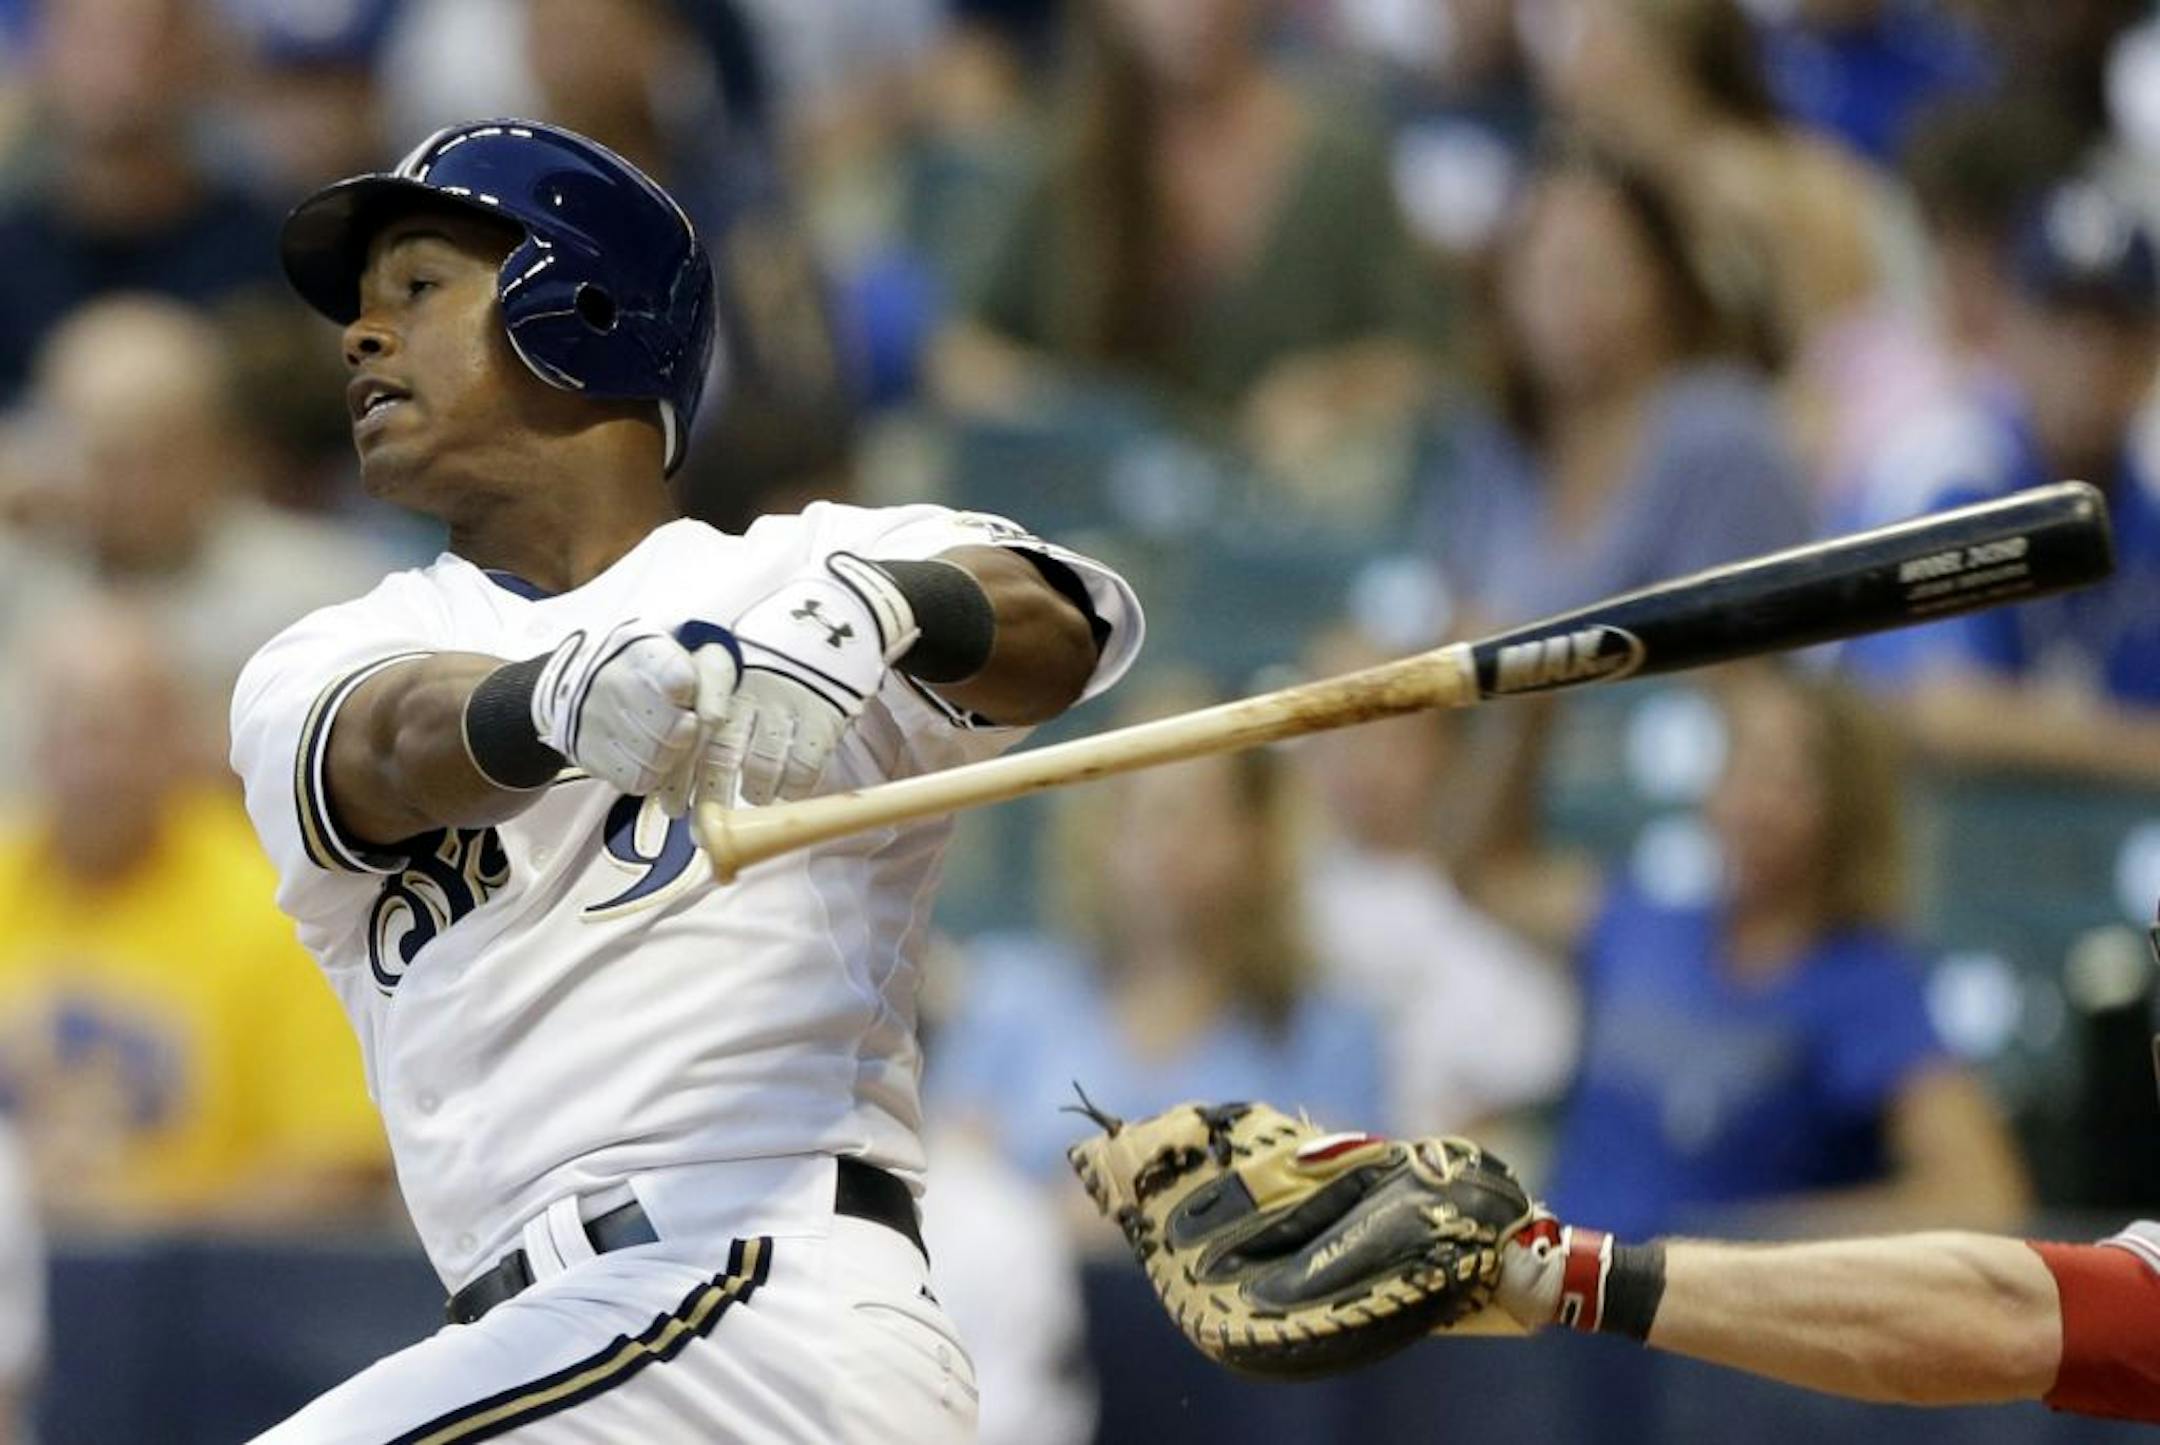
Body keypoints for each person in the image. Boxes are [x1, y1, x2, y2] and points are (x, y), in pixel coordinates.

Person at [231, 119, 1139, 1442]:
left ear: (582, 304)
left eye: (417, 290)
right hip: (559, 1345)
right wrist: (556, 698)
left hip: (756, 1296)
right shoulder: (336, 646)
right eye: (359, 313)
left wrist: (887, 604)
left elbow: (1060, 632)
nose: (360, 340)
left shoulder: (799, 570)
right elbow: (383, 744)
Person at [1483, 664, 2030, 1240]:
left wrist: (1743, 1249)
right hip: (1560, 1301)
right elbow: (1490, 877)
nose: (1752, 799)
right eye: (1740, 763)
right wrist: (1525, 714)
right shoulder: (1640, 919)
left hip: (1693, 1314)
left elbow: (1983, 1197)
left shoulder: (1864, 982)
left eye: (1788, 779)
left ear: (1847, 810)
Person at [932, 0, 1447, 483]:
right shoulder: (1068, 160)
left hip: (1281, 519)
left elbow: (1429, 360)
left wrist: (1334, 389)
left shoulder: (1340, 166)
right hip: (1096, 515)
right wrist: (1068, 411)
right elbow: (963, 352)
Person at [0, 600, 389, 1226]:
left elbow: (344, 1160)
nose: (89, 765)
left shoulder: (280, 905)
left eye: (114, 732)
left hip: (208, 1295)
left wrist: (139, 1225)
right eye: (64, 729)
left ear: (177, 740)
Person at [929, 680, 1388, 1188]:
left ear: (1259, 836)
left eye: (1193, 813)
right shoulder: (1008, 995)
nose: (1164, 843)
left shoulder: (1331, 1032)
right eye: (1136, 811)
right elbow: (952, 1187)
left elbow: (1341, 1204)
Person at [1840, 179, 2160, 781]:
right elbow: (1945, 714)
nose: (2089, 357)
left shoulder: (2150, 508)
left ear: (2153, 347)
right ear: (2009, 326)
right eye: (2061, 319)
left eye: (2117, 328)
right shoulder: (1949, 466)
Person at [1294, 625, 1576, 1142]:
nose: (1360, 760)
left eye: (1385, 732)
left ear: (1439, 744)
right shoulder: (1270, 895)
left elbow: (1531, 1071)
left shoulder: (1491, 906)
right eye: (1333, 731)